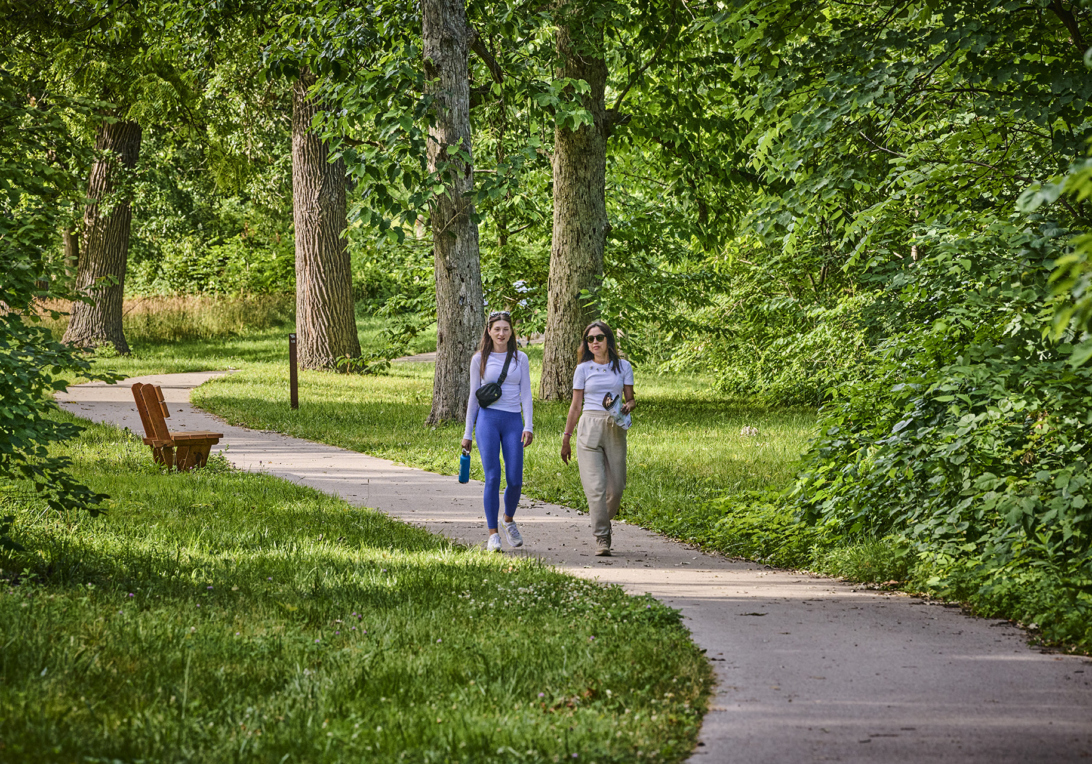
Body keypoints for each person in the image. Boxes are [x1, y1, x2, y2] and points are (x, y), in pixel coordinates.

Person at [560, 321, 636, 557]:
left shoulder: (623, 366)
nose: (594, 342)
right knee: (595, 488)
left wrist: (628, 406)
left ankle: (601, 518)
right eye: (590, 339)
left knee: (616, 488)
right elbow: (575, 406)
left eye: (599, 338)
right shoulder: (583, 369)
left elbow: (631, 399)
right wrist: (566, 438)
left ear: (608, 341)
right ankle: (602, 537)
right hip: (589, 425)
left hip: (615, 426)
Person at [462, 311, 534, 552]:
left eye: (505, 329)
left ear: (511, 331)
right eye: (497, 329)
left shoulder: (520, 359)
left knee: (515, 479)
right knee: (492, 476)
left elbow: (526, 394)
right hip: (487, 422)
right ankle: (493, 533)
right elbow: (473, 397)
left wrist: (528, 425)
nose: (501, 333)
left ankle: (508, 520)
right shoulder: (478, 359)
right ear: (489, 331)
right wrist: (468, 433)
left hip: (513, 421)